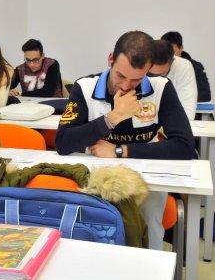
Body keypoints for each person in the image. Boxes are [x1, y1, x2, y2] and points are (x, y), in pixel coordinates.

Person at [55, 31, 196, 250]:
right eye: (121, 76)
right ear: (110, 59)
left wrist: (120, 150)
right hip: (98, 175)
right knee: (96, 227)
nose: (127, 86)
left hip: (145, 174)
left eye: (137, 79)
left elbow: (185, 146)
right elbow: (63, 142)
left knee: (149, 225)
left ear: (148, 69)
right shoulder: (84, 87)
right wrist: (112, 118)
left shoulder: (161, 87)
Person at [149, 39, 197, 121]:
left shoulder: (184, 66)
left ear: (172, 61)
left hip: (172, 121)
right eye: (151, 74)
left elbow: (188, 110)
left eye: (161, 74)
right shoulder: (140, 65)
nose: (157, 78)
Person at [161, 31, 211, 102]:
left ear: (181, 48)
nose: (169, 56)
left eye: (172, 52)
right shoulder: (156, 65)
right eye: (166, 52)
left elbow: (205, 95)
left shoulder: (195, 66)